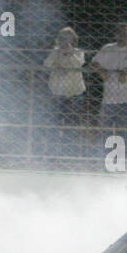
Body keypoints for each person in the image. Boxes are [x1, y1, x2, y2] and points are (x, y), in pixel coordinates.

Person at [92, 22, 127, 135]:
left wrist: (126, 71)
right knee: (104, 131)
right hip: (109, 98)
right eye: (120, 33)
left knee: (124, 132)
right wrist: (101, 70)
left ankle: (124, 152)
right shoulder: (107, 48)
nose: (123, 35)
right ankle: (104, 152)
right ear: (115, 35)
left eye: (125, 33)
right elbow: (94, 62)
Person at [44, 26, 87, 157]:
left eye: (68, 38)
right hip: (57, 91)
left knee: (71, 123)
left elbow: (78, 64)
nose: (65, 40)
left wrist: (70, 52)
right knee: (55, 122)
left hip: (74, 91)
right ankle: (54, 151)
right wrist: (58, 65)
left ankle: (69, 152)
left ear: (73, 39)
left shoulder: (78, 52)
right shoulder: (55, 52)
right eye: (63, 38)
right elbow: (47, 63)